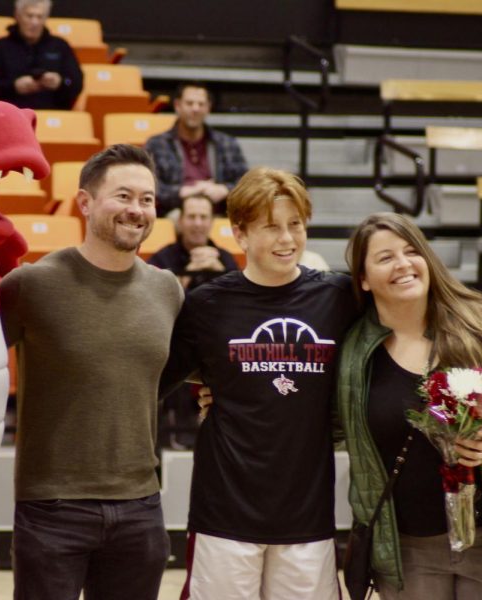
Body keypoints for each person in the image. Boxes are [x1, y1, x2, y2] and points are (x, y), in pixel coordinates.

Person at [337, 212, 482, 599]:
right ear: (362, 279)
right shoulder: (352, 350)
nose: (403, 264)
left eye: (411, 251)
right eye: (385, 257)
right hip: (407, 552)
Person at [0, 143, 184, 599]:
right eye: (123, 196)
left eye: (147, 199)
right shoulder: (31, 285)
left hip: (141, 505)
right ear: (85, 202)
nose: (137, 210)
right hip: (51, 508)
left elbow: (172, 371)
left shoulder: (167, 290)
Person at [160, 167, 354, 599]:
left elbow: (411, 309)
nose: (287, 239)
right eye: (272, 227)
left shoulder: (339, 298)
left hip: (307, 516)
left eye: (295, 225)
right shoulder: (207, 305)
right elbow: (154, 380)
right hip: (224, 513)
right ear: (240, 234)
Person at [149, 193, 238, 449]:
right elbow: (150, 306)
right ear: (180, 221)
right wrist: (186, 279)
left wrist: (219, 274)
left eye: (203, 217)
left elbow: (240, 308)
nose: (197, 223)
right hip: (173, 341)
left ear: (212, 221)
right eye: (192, 217)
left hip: (218, 344)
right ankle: (176, 435)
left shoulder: (225, 259)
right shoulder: (162, 258)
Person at [144, 82, 248, 219]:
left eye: (201, 104)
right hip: (176, 213)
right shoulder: (158, 144)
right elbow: (150, 186)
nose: (195, 108)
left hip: (218, 213)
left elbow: (246, 182)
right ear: (177, 106)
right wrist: (184, 192)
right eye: (189, 103)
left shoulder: (226, 143)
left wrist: (224, 189)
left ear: (208, 108)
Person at [0, 0, 83, 110]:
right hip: (10, 114)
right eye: (29, 16)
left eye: (40, 17)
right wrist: (14, 86)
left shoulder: (61, 46)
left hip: (52, 114)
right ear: (18, 15)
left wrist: (60, 82)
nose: (35, 22)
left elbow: (76, 83)